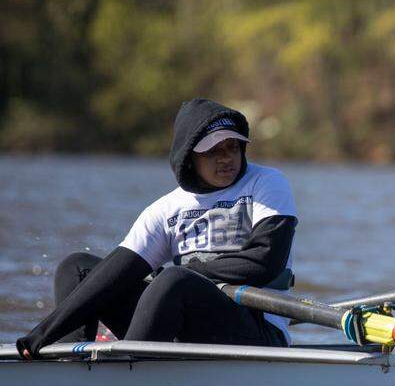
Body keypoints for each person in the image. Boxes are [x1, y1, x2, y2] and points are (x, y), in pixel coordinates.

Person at [17, 99, 298, 357]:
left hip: (255, 330)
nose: (226, 158)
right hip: (177, 321)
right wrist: (43, 332)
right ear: (189, 157)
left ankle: (128, 374)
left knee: (174, 280)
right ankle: (66, 362)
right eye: (213, 151)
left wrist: (193, 272)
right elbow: (115, 275)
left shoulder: (265, 183)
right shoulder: (165, 209)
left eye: (232, 148)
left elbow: (265, 261)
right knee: (77, 269)